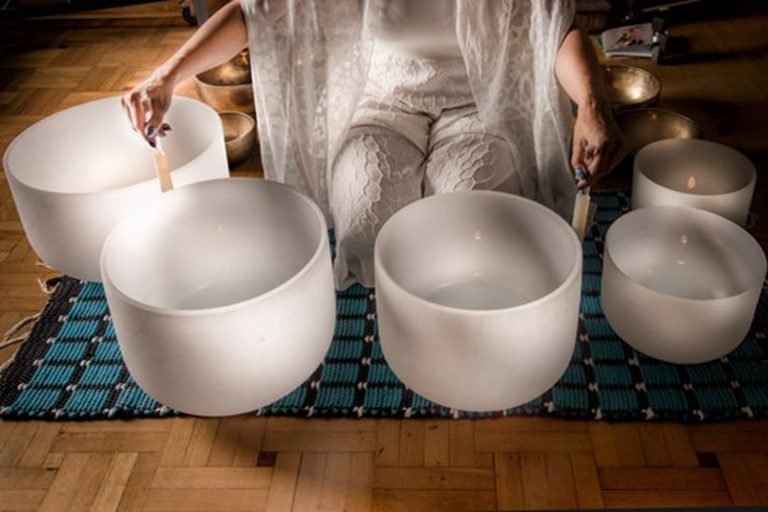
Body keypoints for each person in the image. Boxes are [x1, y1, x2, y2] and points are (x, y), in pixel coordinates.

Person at [123, 0, 625, 290]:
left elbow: (558, 30)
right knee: (367, 229)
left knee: (466, 229)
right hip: (382, 101)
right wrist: (166, 76)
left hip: (481, 103)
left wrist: (591, 104)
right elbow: (254, 13)